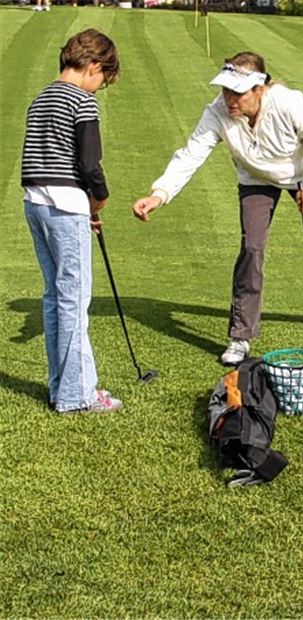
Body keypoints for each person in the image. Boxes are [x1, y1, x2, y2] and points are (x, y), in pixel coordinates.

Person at [131, 52, 303, 366]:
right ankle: (240, 336)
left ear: (259, 89)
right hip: (255, 176)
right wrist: (160, 194)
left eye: (237, 92)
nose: (229, 99)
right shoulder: (218, 112)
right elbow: (191, 154)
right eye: (226, 90)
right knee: (251, 248)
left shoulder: (287, 103)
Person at [21, 29, 123, 413]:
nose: (100, 88)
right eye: (103, 80)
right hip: (67, 205)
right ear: (94, 66)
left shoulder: (40, 97)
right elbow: (89, 165)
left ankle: (59, 387)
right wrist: (98, 201)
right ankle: (78, 395)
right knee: (74, 301)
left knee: (55, 299)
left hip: (35, 205)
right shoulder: (83, 102)